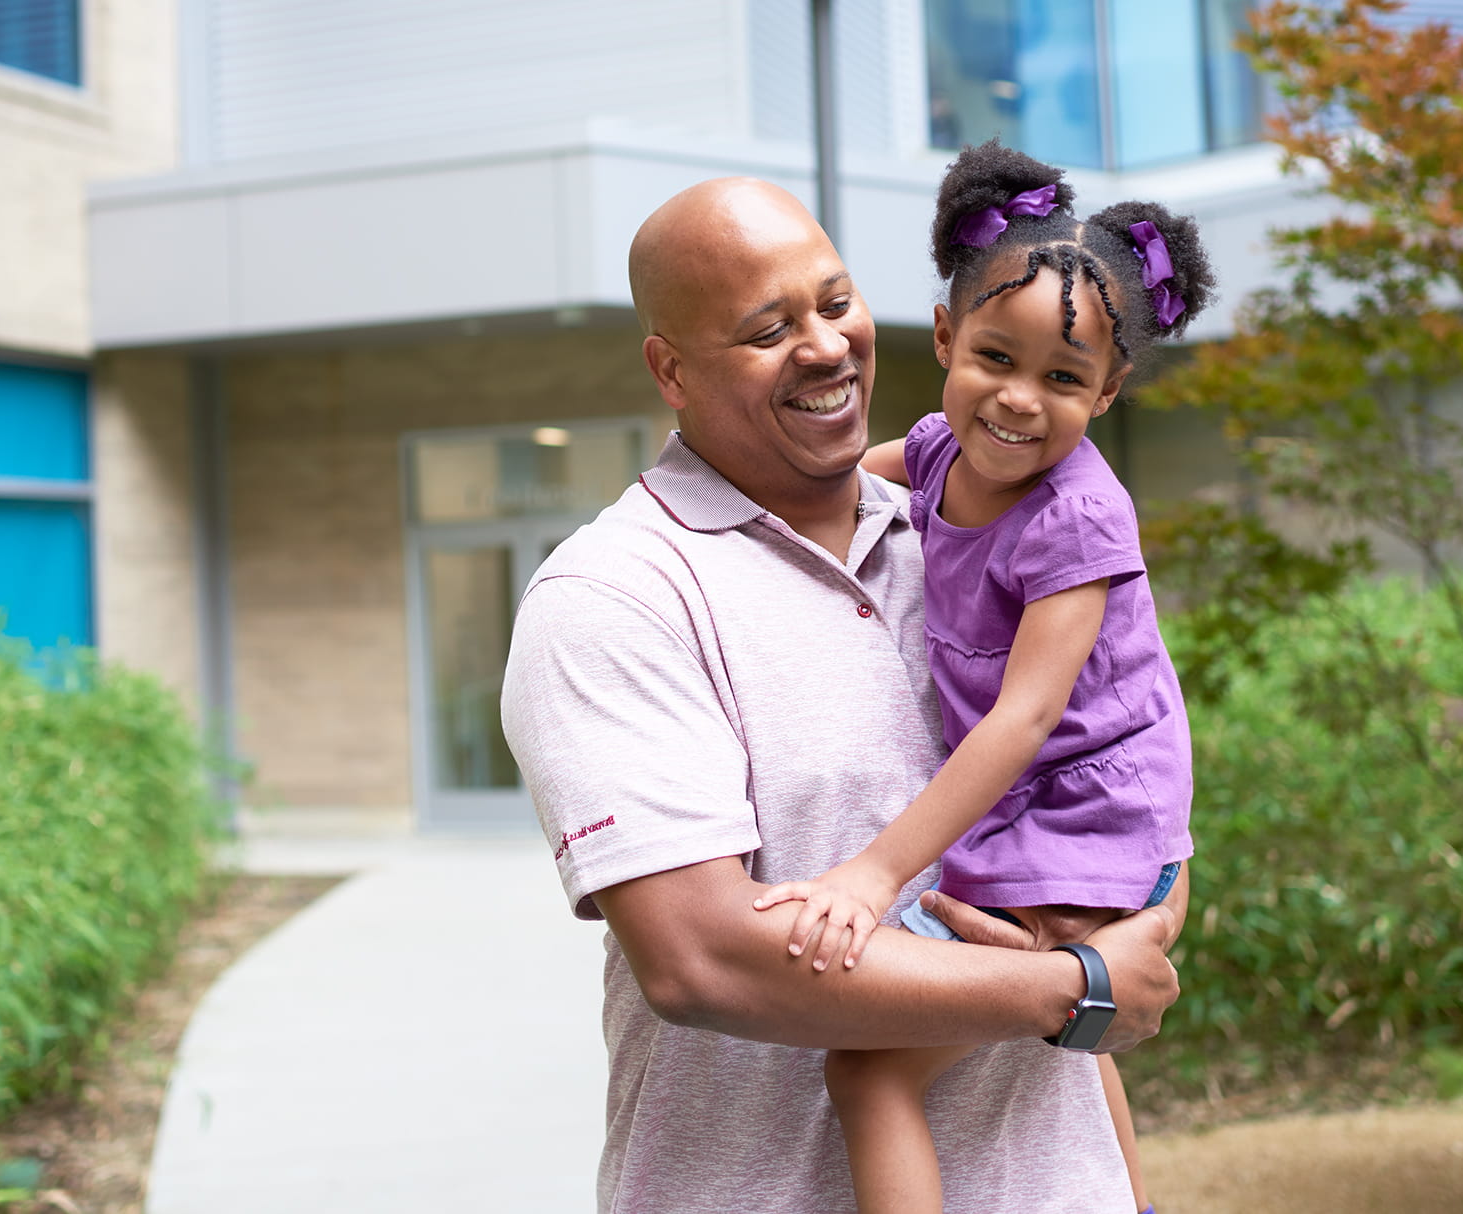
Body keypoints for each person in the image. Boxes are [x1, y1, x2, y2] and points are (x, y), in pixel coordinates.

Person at [499, 173, 1188, 1214]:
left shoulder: (991, 524)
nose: (824, 346)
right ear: (670, 368)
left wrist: (1137, 930)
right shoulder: (617, 595)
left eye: (834, 301)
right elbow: (699, 960)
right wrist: (1074, 986)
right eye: (767, 328)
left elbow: (1126, 779)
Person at [749, 140, 1214, 1214]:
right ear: (947, 338)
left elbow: (1025, 717)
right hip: (1050, 815)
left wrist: (870, 875)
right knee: (1068, 1021)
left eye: (1063, 377)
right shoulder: (938, 450)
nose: (1018, 400)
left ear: (1109, 391)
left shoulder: (1079, 516)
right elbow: (842, 477)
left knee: (868, 1067)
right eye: (995, 358)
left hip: (1087, 821)